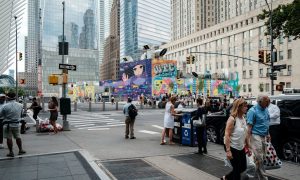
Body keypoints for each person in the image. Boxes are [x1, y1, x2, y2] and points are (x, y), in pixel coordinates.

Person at [221, 98, 249, 180]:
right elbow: (227, 134)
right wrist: (228, 150)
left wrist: (248, 145)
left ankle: (226, 177)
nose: (246, 107)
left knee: (243, 167)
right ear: (239, 107)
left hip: (241, 147)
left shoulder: (243, 118)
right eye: (245, 106)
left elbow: (245, 132)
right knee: (237, 170)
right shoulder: (232, 119)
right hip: (232, 147)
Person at [246, 95, 270, 180]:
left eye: (268, 100)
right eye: (266, 101)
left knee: (261, 158)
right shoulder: (252, 111)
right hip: (255, 136)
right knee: (259, 157)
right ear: (260, 102)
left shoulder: (266, 109)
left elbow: (267, 122)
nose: (269, 102)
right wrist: (248, 141)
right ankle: (262, 177)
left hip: (264, 136)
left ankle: (252, 176)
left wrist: (268, 134)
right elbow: (249, 127)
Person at [0, 92, 26, 157]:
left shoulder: (4, 106)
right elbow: (21, 114)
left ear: (7, 97)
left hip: (7, 124)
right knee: (18, 137)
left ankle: (11, 152)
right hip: (16, 124)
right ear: (15, 97)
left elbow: (1, 115)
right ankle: (20, 150)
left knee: (9, 138)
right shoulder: (20, 105)